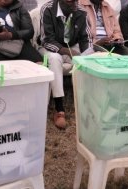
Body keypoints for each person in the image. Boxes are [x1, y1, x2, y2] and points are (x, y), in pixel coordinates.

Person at [40, 0, 94, 129]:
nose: (74, 4)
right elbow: (46, 39)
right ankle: (59, 109)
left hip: (72, 46)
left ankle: (89, 105)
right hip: (50, 47)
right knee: (54, 59)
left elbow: (85, 38)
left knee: (88, 60)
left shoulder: (81, 11)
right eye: (70, 1)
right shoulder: (48, 9)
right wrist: (67, 52)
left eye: (75, 0)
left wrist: (86, 55)